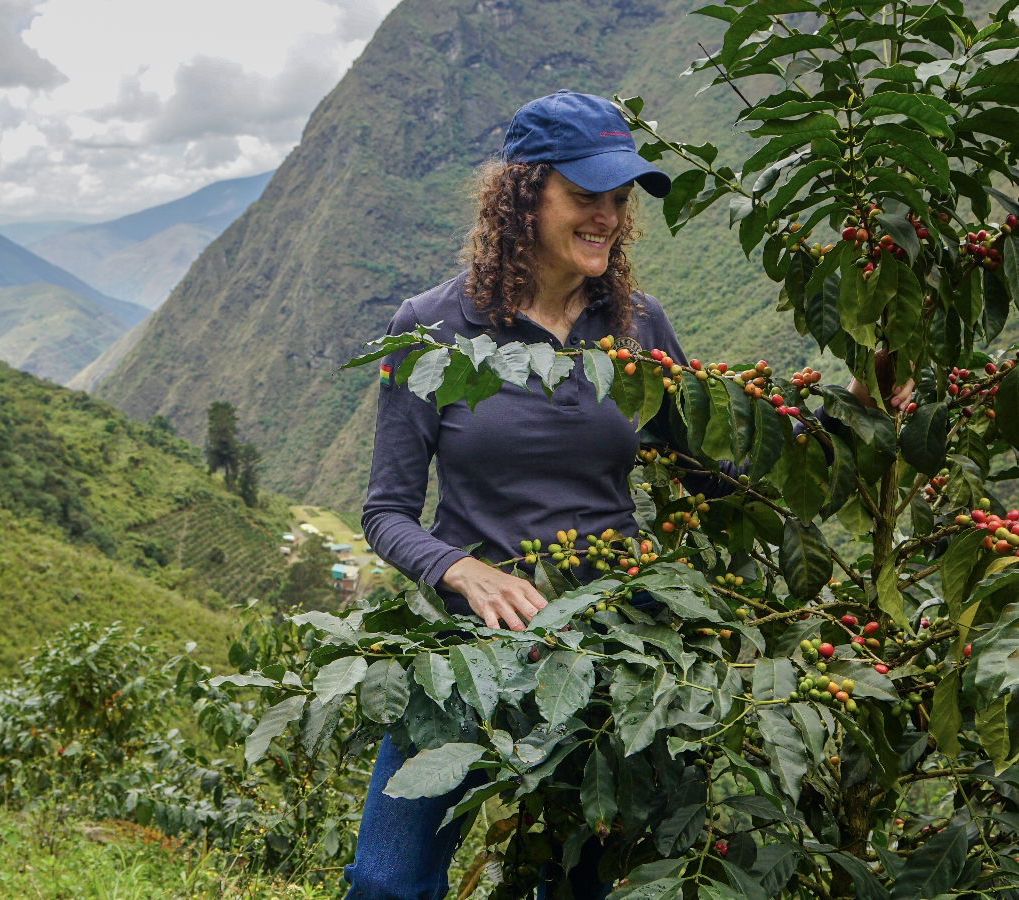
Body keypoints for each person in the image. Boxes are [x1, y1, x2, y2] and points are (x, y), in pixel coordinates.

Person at [347, 90, 911, 900]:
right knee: (387, 882)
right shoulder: (435, 328)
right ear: (521, 194)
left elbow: (713, 474)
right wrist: (462, 572)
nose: (607, 218)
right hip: (462, 654)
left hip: (611, 649)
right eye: (585, 197)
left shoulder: (638, 327)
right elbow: (386, 512)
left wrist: (847, 416)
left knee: (578, 882)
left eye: (618, 200)